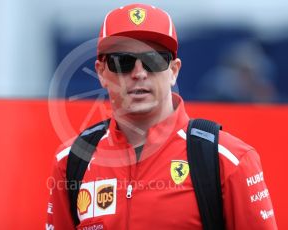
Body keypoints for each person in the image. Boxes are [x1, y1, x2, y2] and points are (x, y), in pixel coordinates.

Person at [46, 3, 277, 230]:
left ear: (173, 71)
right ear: (101, 73)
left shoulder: (229, 159)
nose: (139, 73)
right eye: (122, 62)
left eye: (154, 60)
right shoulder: (72, 160)